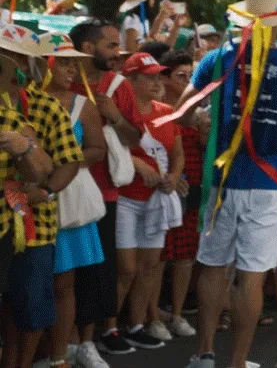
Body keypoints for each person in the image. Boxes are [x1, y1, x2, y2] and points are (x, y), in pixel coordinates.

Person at [180, 0, 277, 368]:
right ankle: (238, 363)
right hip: (267, 185)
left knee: (213, 268)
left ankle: (204, 353)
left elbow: (180, 114)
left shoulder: (215, 59)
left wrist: (204, 120)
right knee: (251, 276)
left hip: (222, 182)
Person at [0, 28, 85, 368]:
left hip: (34, 225)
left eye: (20, 57)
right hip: (4, 222)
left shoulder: (46, 106)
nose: (15, 64)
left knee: (30, 309)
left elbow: (66, 164)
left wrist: (46, 191)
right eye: (10, 56)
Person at [68, 19, 141, 356]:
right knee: (65, 273)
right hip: (64, 190)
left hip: (105, 193)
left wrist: (116, 116)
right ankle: (62, 346)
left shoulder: (119, 86)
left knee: (97, 271)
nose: (118, 52)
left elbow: (135, 138)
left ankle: (86, 342)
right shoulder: (63, 79)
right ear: (87, 48)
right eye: (111, 45)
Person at [39, 36, 110, 368]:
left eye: (73, 62)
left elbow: (99, 149)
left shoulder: (85, 105)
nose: (70, 68)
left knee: (64, 282)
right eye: (63, 61)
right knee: (32, 282)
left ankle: (58, 357)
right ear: (42, 63)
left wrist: (61, 161)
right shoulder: (25, 101)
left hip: (70, 204)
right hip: (32, 198)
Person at [113, 52, 183, 348]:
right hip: (125, 200)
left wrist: (173, 176)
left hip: (157, 201)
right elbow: (110, 148)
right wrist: (137, 164)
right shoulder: (119, 111)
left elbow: (177, 155)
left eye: (159, 76)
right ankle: (108, 328)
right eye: (149, 77)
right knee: (126, 269)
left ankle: (136, 324)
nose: (157, 82)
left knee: (149, 267)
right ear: (130, 81)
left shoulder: (166, 111)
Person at [158, 51, 203, 339]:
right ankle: (153, 316)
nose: (188, 82)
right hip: (164, 189)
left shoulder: (197, 114)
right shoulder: (158, 112)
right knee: (159, 257)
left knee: (186, 255)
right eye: (181, 76)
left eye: (191, 75)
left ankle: (176, 313)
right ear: (166, 79)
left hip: (194, 188)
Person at [118, 0, 183, 53]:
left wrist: (162, 16)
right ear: (145, 0)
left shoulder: (141, 20)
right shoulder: (131, 20)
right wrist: (152, 40)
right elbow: (131, 50)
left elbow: (151, 36)